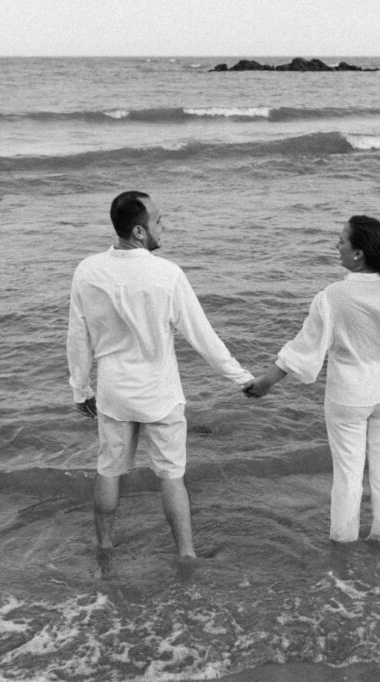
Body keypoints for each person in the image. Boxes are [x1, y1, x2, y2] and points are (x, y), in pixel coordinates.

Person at [67, 191, 253, 559]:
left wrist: (80, 388)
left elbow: (77, 336)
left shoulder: (87, 270)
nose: (162, 226)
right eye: (158, 221)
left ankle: (104, 546)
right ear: (139, 231)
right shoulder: (167, 274)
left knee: (108, 471)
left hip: (114, 394)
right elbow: (203, 337)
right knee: (171, 476)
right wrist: (242, 378)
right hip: (159, 395)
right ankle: (185, 553)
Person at [244, 215, 380, 543]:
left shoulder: (333, 295)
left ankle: (343, 549)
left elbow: (304, 348)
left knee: (347, 477)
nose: (337, 246)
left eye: (341, 241)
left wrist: (266, 382)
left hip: (349, 397)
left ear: (358, 253)